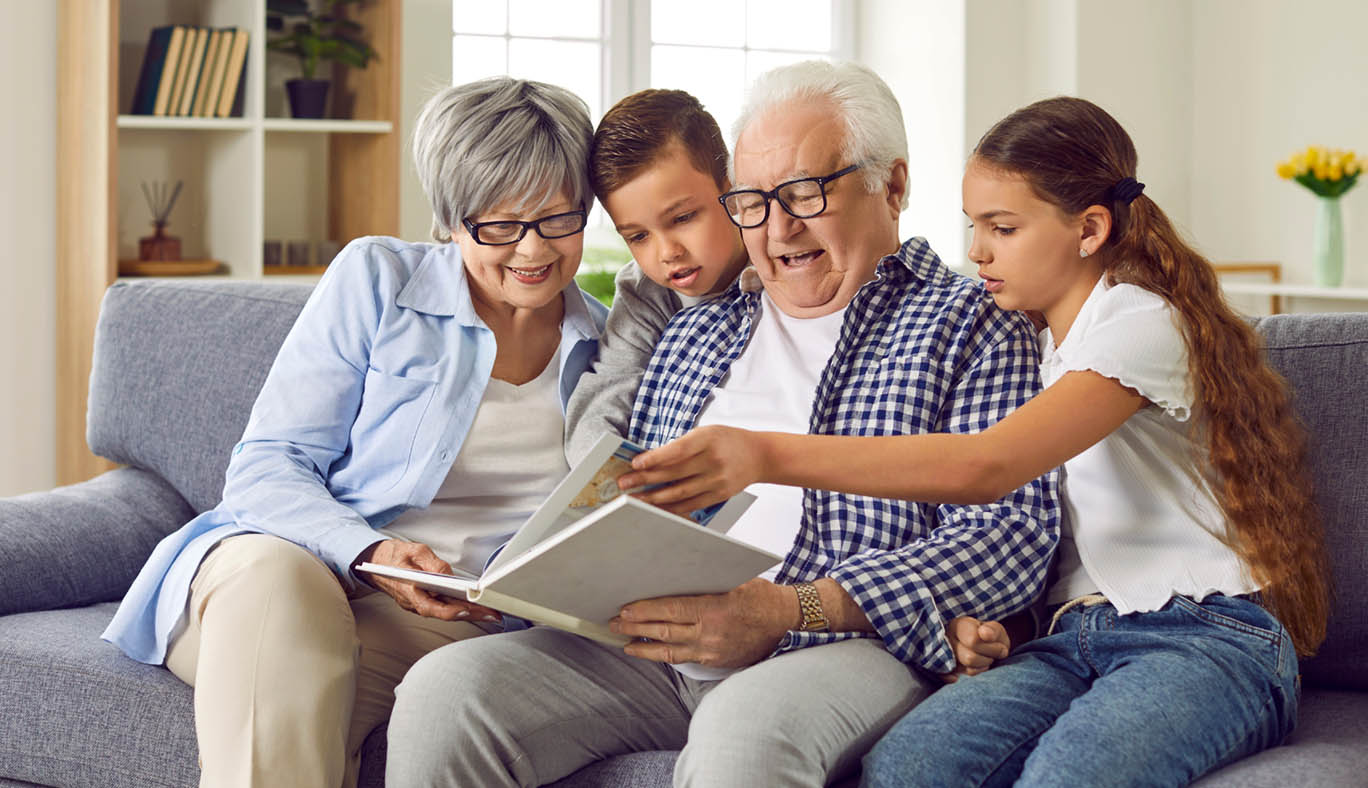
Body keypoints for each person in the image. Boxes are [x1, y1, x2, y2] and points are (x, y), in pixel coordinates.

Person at [383, 61, 1061, 788]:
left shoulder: (975, 323)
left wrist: (786, 608)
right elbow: (625, 488)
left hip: (838, 644)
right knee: (446, 692)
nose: (778, 227)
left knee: (744, 734)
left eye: (805, 192)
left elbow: (1013, 534)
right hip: (654, 639)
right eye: (754, 201)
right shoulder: (696, 330)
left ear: (891, 186)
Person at [622, 96, 1331, 787]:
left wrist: (765, 452)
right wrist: (1000, 632)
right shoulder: (1037, 345)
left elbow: (987, 466)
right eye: (973, 225)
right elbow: (1050, 540)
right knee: (909, 766)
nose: (976, 250)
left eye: (1003, 228)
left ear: (1088, 230)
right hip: (1070, 638)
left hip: (1204, 636)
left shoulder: (1139, 323)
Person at [101, 76, 608, 788]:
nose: (533, 250)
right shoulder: (378, 280)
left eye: (559, 220)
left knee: (301, 721)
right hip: (284, 570)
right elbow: (267, 466)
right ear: (453, 218)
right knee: (283, 590)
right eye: (500, 225)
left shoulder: (608, 346)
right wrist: (370, 552)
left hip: (454, 623)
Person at [563, 88, 750, 465]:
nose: (667, 253)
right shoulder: (644, 291)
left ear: (733, 191)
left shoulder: (783, 264)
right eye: (638, 236)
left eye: (682, 218)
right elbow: (605, 395)